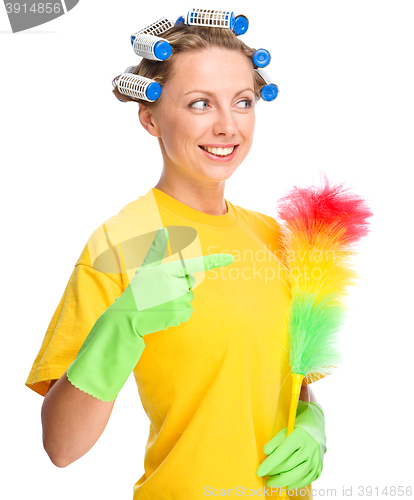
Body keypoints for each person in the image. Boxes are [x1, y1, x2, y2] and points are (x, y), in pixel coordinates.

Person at [25, 17, 326, 500]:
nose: (227, 126)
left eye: (243, 102)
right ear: (149, 118)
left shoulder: (279, 239)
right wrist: (119, 328)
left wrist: (313, 423)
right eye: (200, 103)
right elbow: (61, 447)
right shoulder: (122, 241)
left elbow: (290, 384)